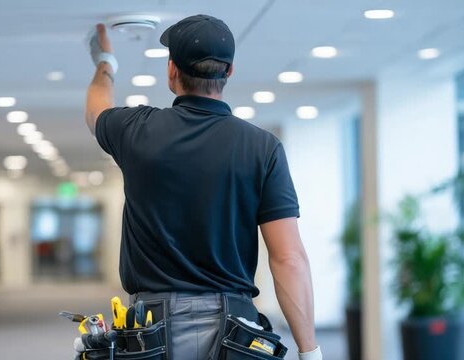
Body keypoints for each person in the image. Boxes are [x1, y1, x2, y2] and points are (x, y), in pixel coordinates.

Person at [85, 15, 321, 360]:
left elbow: (95, 110)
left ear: (171, 71)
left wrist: (105, 63)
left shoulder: (135, 130)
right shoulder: (262, 147)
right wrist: (309, 350)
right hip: (234, 328)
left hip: (154, 329)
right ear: (228, 72)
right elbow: (288, 257)